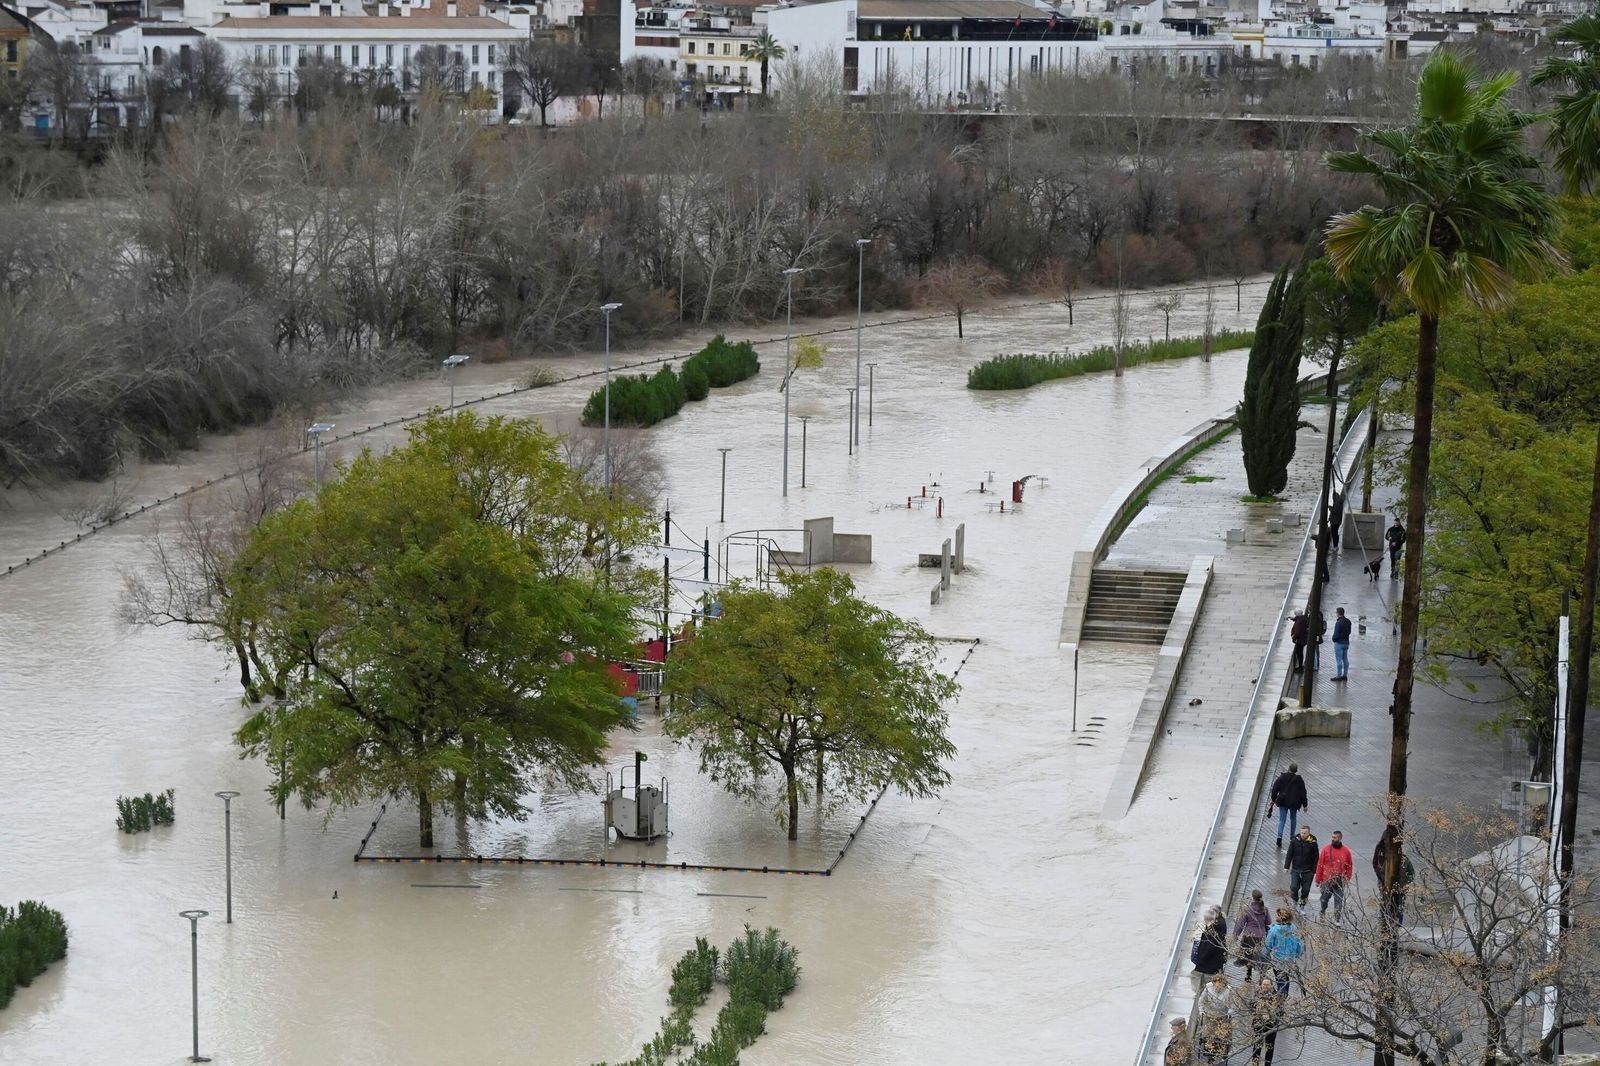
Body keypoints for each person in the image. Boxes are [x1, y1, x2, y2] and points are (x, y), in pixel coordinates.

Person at [1371, 834, 1418, 923]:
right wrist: (1384, 881)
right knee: (1386, 905)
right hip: (1388, 887)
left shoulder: (1405, 860)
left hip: (1401, 889)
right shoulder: (1389, 860)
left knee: (1400, 907)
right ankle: (1386, 923)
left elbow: (1412, 873)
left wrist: (1405, 882)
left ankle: (1398, 925)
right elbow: (1381, 871)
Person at [1264, 908, 1303, 998]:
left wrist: (1264, 956)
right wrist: (1297, 953)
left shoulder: (1274, 930)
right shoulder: (1294, 928)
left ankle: (1281, 999)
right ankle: (1284, 997)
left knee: (1280, 979)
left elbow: (1267, 946)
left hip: (1277, 960)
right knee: (1285, 978)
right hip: (1289, 960)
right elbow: (1299, 944)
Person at [1317, 829, 1354, 920]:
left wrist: (1347, 879)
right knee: (1324, 900)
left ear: (1340, 838)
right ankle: (1323, 910)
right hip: (1326, 880)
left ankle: (1337, 919)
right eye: (1332, 837)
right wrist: (1318, 879)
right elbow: (1320, 864)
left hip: (1339, 881)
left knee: (1339, 902)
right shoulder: (1326, 849)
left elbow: (1349, 866)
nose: (1333, 839)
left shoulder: (1346, 851)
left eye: (1335, 838)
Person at [1191, 904, 1229, 993]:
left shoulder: (1212, 931)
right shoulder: (1219, 925)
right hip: (1215, 964)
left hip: (1209, 966)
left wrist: (1199, 960)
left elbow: (1208, 948)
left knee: (1207, 986)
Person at [1268, 763, 1308, 846]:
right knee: (1293, 818)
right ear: (1296, 770)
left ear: (1288, 768)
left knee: (1282, 819)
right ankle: (1292, 837)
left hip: (1283, 801)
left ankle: (1279, 836)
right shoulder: (1299, 779)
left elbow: (1275, 789)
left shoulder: (1282, 777)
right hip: (1294, 802)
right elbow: (1303, 792)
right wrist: (1305, 805)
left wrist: (1273, 799)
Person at [1197, 972, 1233, 1065]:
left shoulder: (1228, 990)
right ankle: (1210, 1057)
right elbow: (1201, 1001)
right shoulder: (1208, 988)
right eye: (1216, 984)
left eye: (1220, 985)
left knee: (1223, 1036)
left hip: (1222, 1016)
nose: (1218, 987)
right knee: (1209, 1036)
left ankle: (1223, 1053)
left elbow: (1232, 1004)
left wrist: (1229, 1012)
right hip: (1210, 1015)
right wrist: (1201, 1012)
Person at [1235, 889, 1270, 981]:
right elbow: (1269, 921)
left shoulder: (1247, 909)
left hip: (1249, 936)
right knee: (1260, 956)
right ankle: (1261, 977)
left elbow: (1240, 924)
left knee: (1248, 956)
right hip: (1261, 936)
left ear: (1252, 897)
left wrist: (1235, 935)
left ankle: (1248, 975)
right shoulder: (1265, 909)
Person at [1249, 976, 1281, 1066]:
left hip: (1271, 1025)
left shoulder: (1276, 996)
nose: (1265, 986)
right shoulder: (1257, 994)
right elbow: (1251, 1006)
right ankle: (1255, 1064)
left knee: (1269, 1047)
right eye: (1264, 984)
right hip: (1258, 1024)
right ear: (1261, 985)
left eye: (1267, 984)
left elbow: (1280, 1011)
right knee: (1257, 1047)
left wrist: (1268, 1006)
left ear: (1271, 985)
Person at [1284, 826, 1318, 909]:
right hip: (1296, 869)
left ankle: (1302, 905)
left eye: (1305, 833)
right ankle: (1295, 900)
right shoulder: (1294, 841)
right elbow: (1289, 854)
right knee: (1294, 887)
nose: (1303, 835)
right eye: (1302, 833)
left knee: (1306, 890)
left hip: (1308, 871)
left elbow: (1316, 857)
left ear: (1308, 833)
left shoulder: (1313, 843)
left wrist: (1314, 870)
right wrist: (1286, 866)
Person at [1331, 607, 1352, 681]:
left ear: (1338, 613)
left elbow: (1336, 634)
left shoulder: (1338, 623)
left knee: (1339, 660)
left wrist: (1334, 639)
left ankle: (1338, 676)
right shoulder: (1348, 621)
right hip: (1346, 643)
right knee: (1345, 659)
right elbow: (1349, 632)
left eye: (1336, 612)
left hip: (1339, 643)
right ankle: (1345, 675)